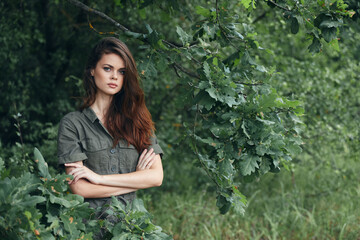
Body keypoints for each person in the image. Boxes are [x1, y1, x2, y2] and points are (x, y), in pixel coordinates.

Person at [57, 37, 163, 215]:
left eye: (122, 72)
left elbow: (156, 177)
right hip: (88, 228)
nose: (114, 76)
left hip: (129, 229)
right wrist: (134, 180)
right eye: (107, 69)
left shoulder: (138, 121)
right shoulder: (72, 124)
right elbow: (80, 189)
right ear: (92, 70)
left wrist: (98, 179)